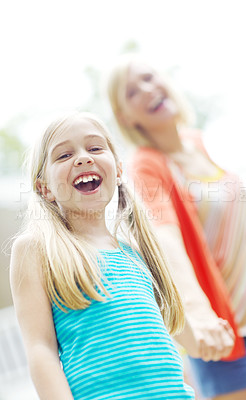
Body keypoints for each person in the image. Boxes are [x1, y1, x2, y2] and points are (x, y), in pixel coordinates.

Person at [107, 55, 246, 400]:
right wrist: (197, 312)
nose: (148, 90)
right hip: (229, 332)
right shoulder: (146, 166)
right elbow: (165, 238)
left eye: (150, 78)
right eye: (133, 92)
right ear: (126, 117)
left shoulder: (199, 143)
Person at [10, 111, 197, 399]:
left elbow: (161, 342)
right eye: (63, 155)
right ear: (44, 188)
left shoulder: (136, 253)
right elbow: (40, 349)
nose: (83, 158)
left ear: (119, 170)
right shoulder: (36, 250)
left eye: (95, 148)